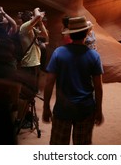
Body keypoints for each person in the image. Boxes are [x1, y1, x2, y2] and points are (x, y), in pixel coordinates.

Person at [42, 16, 104, 145]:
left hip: (63, 108)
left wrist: (46, 107)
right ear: (86, 33)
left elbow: (49, 82)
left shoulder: (59, 53)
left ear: (70, 34)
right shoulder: (93, 56)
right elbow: (98, 87)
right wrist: (98, 110)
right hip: (85, 109)